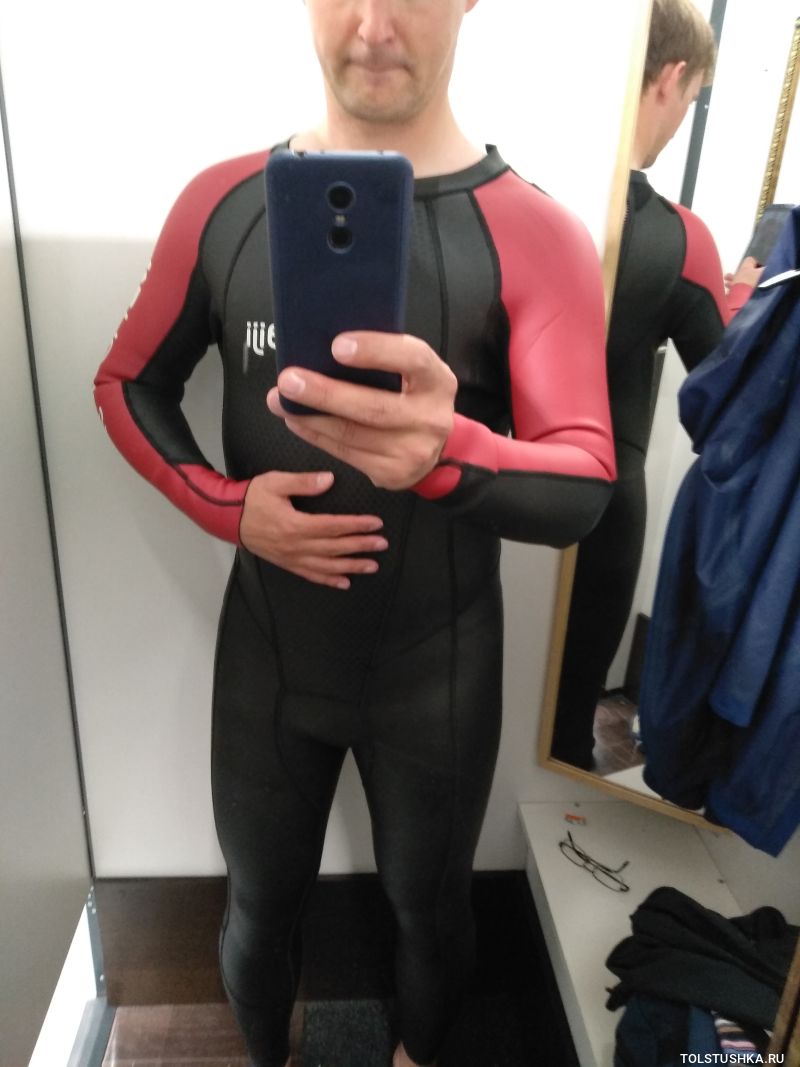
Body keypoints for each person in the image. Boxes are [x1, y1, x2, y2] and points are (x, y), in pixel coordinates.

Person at [93, 1, 616, 1064]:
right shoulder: (223, 204)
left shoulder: (535, 230)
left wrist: (448, 452)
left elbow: (584, 482)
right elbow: (127, 382)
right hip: (271, 659)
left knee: (433, 913)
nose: (373, 23)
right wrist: (227, 506)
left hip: (438, 670)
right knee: (256, 909)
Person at [550, 0, 762, 771]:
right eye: (693, 96)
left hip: (491, 490)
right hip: (602, 505)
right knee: (563, 731)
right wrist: (746, 299)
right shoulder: (680, 240)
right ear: (670, 78)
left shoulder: (522, 191)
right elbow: (732, 396)